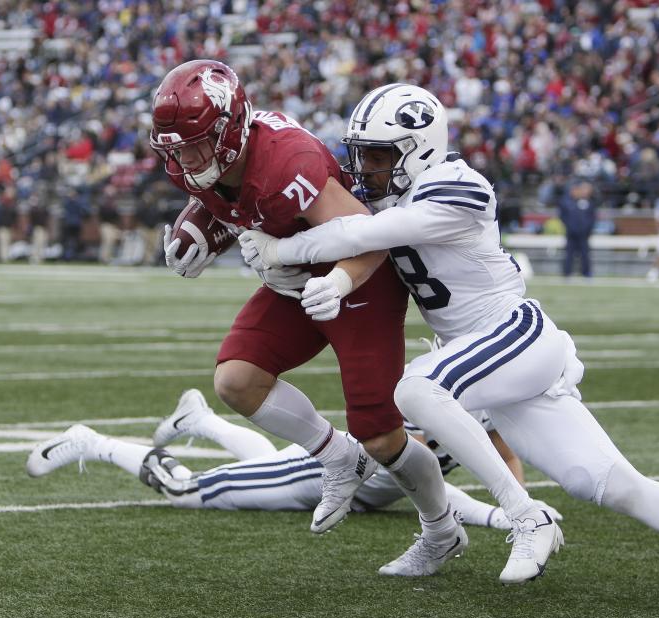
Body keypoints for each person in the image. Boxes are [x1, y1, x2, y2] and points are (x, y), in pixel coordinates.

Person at [240, 83, 659, 600]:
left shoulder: (455, 183)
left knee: (415, 389)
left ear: (419, 148)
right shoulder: (392, 193)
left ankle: (525, 517)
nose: (365, 168)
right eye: (361, 155)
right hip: (488, 363)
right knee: (613, 486)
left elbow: (365, 232)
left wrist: (281, 251)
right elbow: (351, 231)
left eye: (379, 154)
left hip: (512, 334)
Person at [148, 61, 463, 572]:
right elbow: (230, 203)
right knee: (236, 379)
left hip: (356, 280)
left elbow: (367, 235)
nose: (185, 158)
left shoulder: (284, 162)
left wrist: (336, 282)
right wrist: (204, 226)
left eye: (195, 145)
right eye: (176, 148)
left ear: (229, 131)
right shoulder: (209, 157)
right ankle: (337, 458)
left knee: (381, 434)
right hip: (295, 281)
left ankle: (440, 530)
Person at [24, 389, 553, 531]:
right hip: (327, 472)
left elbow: (504, 454)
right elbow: (422, 475)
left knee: (272, 461)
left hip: (362, 491)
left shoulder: (487, 406)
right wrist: (494, 515)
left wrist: (521, 503)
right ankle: (93, 441)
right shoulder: (431, 397)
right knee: (188, 492)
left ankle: (200, 421)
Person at [557, 181, 597, 278]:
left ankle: (586, 273)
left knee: (585, 254)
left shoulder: (588, 202)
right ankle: (567, 273)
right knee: (569, 254)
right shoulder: (566, 202)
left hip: (584, 234)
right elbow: (563, 216)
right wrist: (570, 226)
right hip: (571, 233)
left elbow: (592, 218)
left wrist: (587, 228)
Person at [96, 184, 122, 264]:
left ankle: (109, 257)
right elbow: (103, 214)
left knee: (112, 241)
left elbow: (117, 216)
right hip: (105, 224)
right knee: (107, 241)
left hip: (113, 225)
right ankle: (104, 258)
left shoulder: (114, 203)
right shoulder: (104, 203)